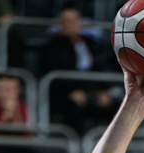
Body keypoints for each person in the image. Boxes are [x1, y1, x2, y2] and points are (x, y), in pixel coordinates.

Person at [40, 6, 108, 135]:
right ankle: (79, 144)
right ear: (60, 24)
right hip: (64, 93)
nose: (70, 24)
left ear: (80, 22)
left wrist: (103, 90)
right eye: (66, 21)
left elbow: (99, 68)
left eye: (73, 20)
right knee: (74, 108)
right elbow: (51, 75)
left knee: (114, 105)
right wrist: (71, 92)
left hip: (91, 90)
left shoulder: (91, 44)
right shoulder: (52, 47)